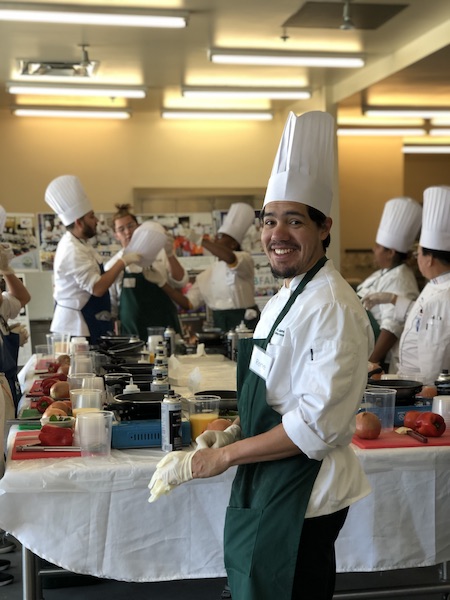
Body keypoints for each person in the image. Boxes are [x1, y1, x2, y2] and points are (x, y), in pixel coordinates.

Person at [149, 111, 374, 600]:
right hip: (269, 476)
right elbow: (275, 394)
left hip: (305, 490)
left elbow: (316, 426)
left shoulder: (332, 306)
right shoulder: (284, 297)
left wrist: (226, 456)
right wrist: (231, 430)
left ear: (324, 226)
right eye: (270, 220)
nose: (278, 234)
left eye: (294, 220)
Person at [363, 185, 450, 386]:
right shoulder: (434, 286)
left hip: (421, 387)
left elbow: (435, 363)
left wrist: (412, 385)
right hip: (410, 380)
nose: (415, 258)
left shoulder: (442, 297)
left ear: (429, 259)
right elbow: (421, 317)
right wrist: (392, 299)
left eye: (418, 253)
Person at [44, 176, 141, 344]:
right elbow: (97, 288)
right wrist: (122, 262)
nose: (97, 221)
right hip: (76, 327)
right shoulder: (72, 250)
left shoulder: (81, 244)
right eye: (92, 216)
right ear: (79, 223)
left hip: (88, 321)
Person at [356, 197, 422, 372]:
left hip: (378, 360)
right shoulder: (382, 273)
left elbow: (392, 328)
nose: (373, 250)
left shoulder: (401, 279)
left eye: (378, 246)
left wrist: (371, 363)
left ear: (391, 252)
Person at [105, 205, 189, 341]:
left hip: (166, 329)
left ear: (138, 226)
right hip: (133, 336)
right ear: (116, 235)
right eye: (121, 229)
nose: (127, 232)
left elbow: (181, 281)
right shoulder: (113, 265)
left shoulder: (160, 253)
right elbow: (113, 306)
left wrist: (170, 253)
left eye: (130, 226)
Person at [185, 202, 260, 332]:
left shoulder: (244, 259)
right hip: (220, 327)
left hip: (247, 325)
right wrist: (163, 282)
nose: (215, 239)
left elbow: (230, 258)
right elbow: (189, 303)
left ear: (232, 245)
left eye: (220, 237)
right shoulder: (206, 275)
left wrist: (200, 240)